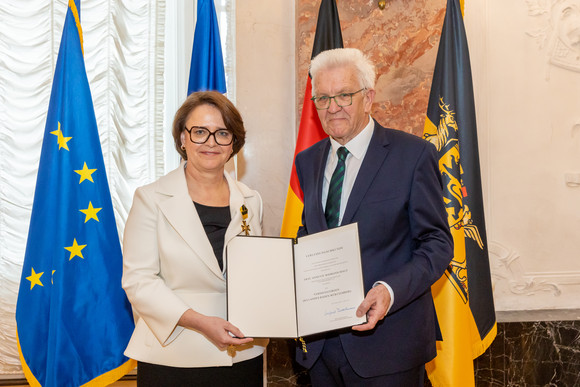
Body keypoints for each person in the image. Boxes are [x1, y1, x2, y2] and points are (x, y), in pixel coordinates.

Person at [294, 48, 454, 386]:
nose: (332, 106)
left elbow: (438, 244)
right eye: (322, 98)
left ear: (368, 98)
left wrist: (389, 290)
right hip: (320, 348)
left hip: (389, 347)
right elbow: (311, 233)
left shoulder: (412, 155)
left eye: (343, 95)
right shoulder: (307, 161)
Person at [122, 91, 267, 386]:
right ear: (182, 139)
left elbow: (257, 275)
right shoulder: (150, 199)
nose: (211, 142)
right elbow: (139, 281)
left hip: (241, 352)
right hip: (174, 354)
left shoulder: (251, 200)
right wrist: (200, 322)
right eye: (200, 132)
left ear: (234, 143)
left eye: (222, 133)